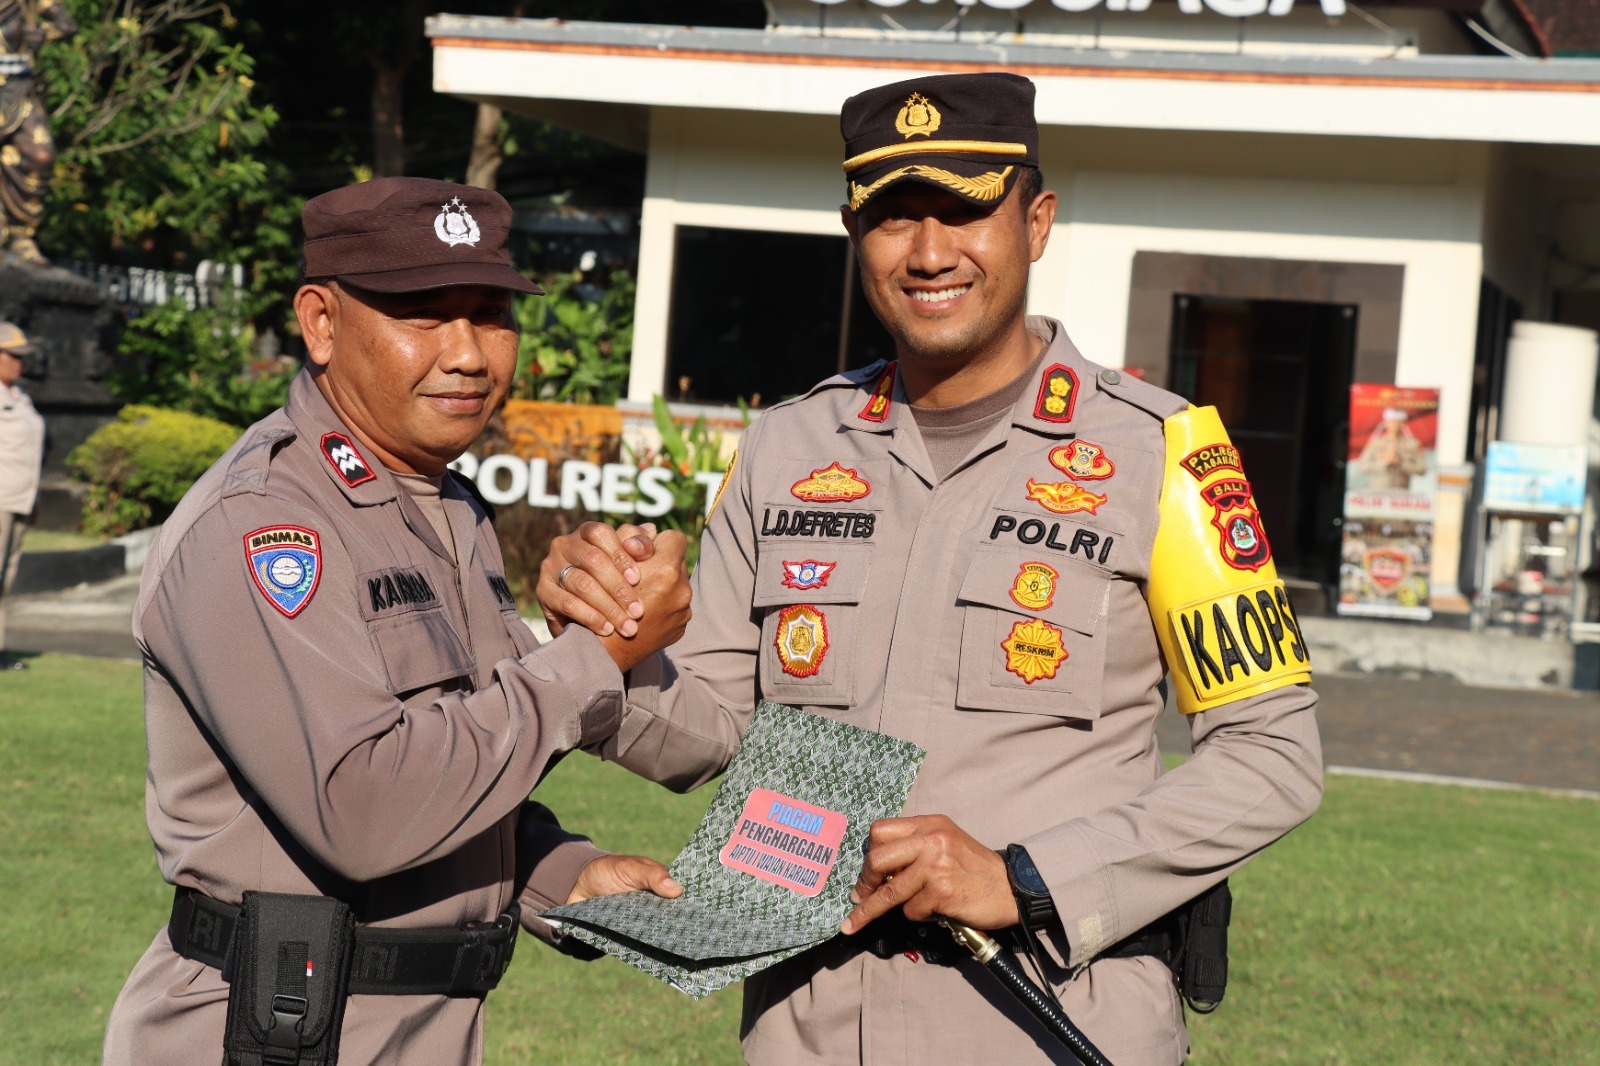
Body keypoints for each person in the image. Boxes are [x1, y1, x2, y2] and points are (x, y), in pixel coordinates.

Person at [540, 73, 1323, 1065]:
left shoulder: (1163, 450)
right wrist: (604, 645)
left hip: (1044, 1018)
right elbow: (712, 733)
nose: (928, 252)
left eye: (963, 211)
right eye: (892, 217)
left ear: (1036, 222)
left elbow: (1271, 754)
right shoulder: (784, 446)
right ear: (852, 231)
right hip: (811, 1022)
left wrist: (1027, 878)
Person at [102, 177, 693, 1066]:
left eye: (490, 314)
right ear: (321, 323)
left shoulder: (445, 507)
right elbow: (363, 805)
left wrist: (557, 871)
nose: (468, 354)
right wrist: (593, 658)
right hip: (272, 1030)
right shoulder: (266, 523)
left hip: (413, 1026)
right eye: (423, 313)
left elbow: (446, 757)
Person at [0, 0, 76, 265]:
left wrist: (43, 33)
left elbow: (67, 24)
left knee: (41, 155)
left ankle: (22, 235)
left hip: (17, 88)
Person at [0, 318, 44, 669]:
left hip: (19, 501)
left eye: (21, 356)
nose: (19, 362)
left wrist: (35, 499)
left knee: (6, 579)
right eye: (12, 355)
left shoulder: (20, 396)